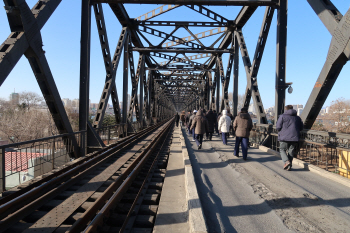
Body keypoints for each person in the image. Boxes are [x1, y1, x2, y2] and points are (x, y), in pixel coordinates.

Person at [276, 105, 303, 170]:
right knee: (291, 150)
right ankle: (289, 166)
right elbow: (301, 128)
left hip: (284, 137)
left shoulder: (282, 116)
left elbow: (278, 127)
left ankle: (286, 161)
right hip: (294, 137)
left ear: (286, 109)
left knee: (282, 149)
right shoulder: (298, 118)